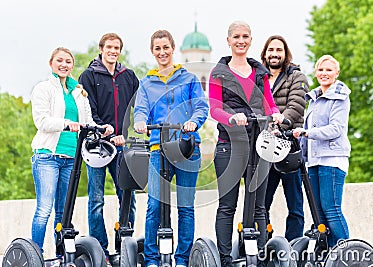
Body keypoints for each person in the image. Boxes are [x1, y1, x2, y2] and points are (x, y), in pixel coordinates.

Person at [209, 21, 284, 267]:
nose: (241, 41)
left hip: (258, 144)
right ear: (228, 40)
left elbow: (269, 103)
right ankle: (226, 260)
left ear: (251, 40)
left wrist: (275, 113)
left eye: (246, 36)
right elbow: (214, 108)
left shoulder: (260, 72)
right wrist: (231, 117)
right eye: (236, 37)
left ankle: (258, 258)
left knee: (259, 207)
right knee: (227, 206)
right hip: (229, 146)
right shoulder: (218, 73)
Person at [133, 30, 209, 267]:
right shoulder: (146, 83)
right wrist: (139, 121)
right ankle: (152, 259)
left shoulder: (188, 79)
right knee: (154, 204)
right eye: (157, 48)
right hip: (158, 148)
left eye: (166, 47)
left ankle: (183, 259)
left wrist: (193, 123)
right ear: (152, 51)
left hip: (186, 148)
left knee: (185, 206)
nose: (162, 52)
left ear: (173, 48)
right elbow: (141, 109)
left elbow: (200, 107)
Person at [30, 47, 113, 255]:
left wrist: (102, 129)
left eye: (68, 61)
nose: (64, 64)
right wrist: (66, 124)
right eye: (59, 60)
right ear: (51, 63)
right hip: (47, 156)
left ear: (72, 66)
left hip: (71, 159)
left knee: (63, 212)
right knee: (44, 210)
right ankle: (35, 254)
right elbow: (42, 121)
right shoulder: (43, 88)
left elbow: (87, 121)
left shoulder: (78, 92)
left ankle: (61, 256)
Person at [78, 33, 139, 259]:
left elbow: (138, 106)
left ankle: (124, 245)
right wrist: (101, 128)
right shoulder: (89, 75)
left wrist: (126, 132)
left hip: (121, 145)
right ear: (101, 49)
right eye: (109, 47)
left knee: (127, 197)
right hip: (96, 145)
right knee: (96, 199)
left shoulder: (129, 76)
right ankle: (100, 250)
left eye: (117, 48)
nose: (113, 51)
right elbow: (88, 110)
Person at [292, 54, 350, 248]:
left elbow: (336, 129)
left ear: (336, 73)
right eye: (321, 70)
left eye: (329, 70)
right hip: (315, 161)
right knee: (319, 213)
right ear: (316, 73)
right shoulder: (314, 98)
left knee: (331, 209)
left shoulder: (340, 97)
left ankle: (345, 253)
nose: (324, 73)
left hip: (332, 159)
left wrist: (307, 133)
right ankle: (328, 255)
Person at [260, 35, 309, 241]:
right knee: (261, 205)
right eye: (271, 50)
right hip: (264, 148)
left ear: (285, 54)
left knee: (295, 205)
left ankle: (293, 248)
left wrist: (281, 122)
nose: (274, 54)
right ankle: (265, 246)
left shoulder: (297, 77)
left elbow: (296, 106)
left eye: (278, 50)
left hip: (289, 147)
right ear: (265, 54)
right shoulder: (258, 78)